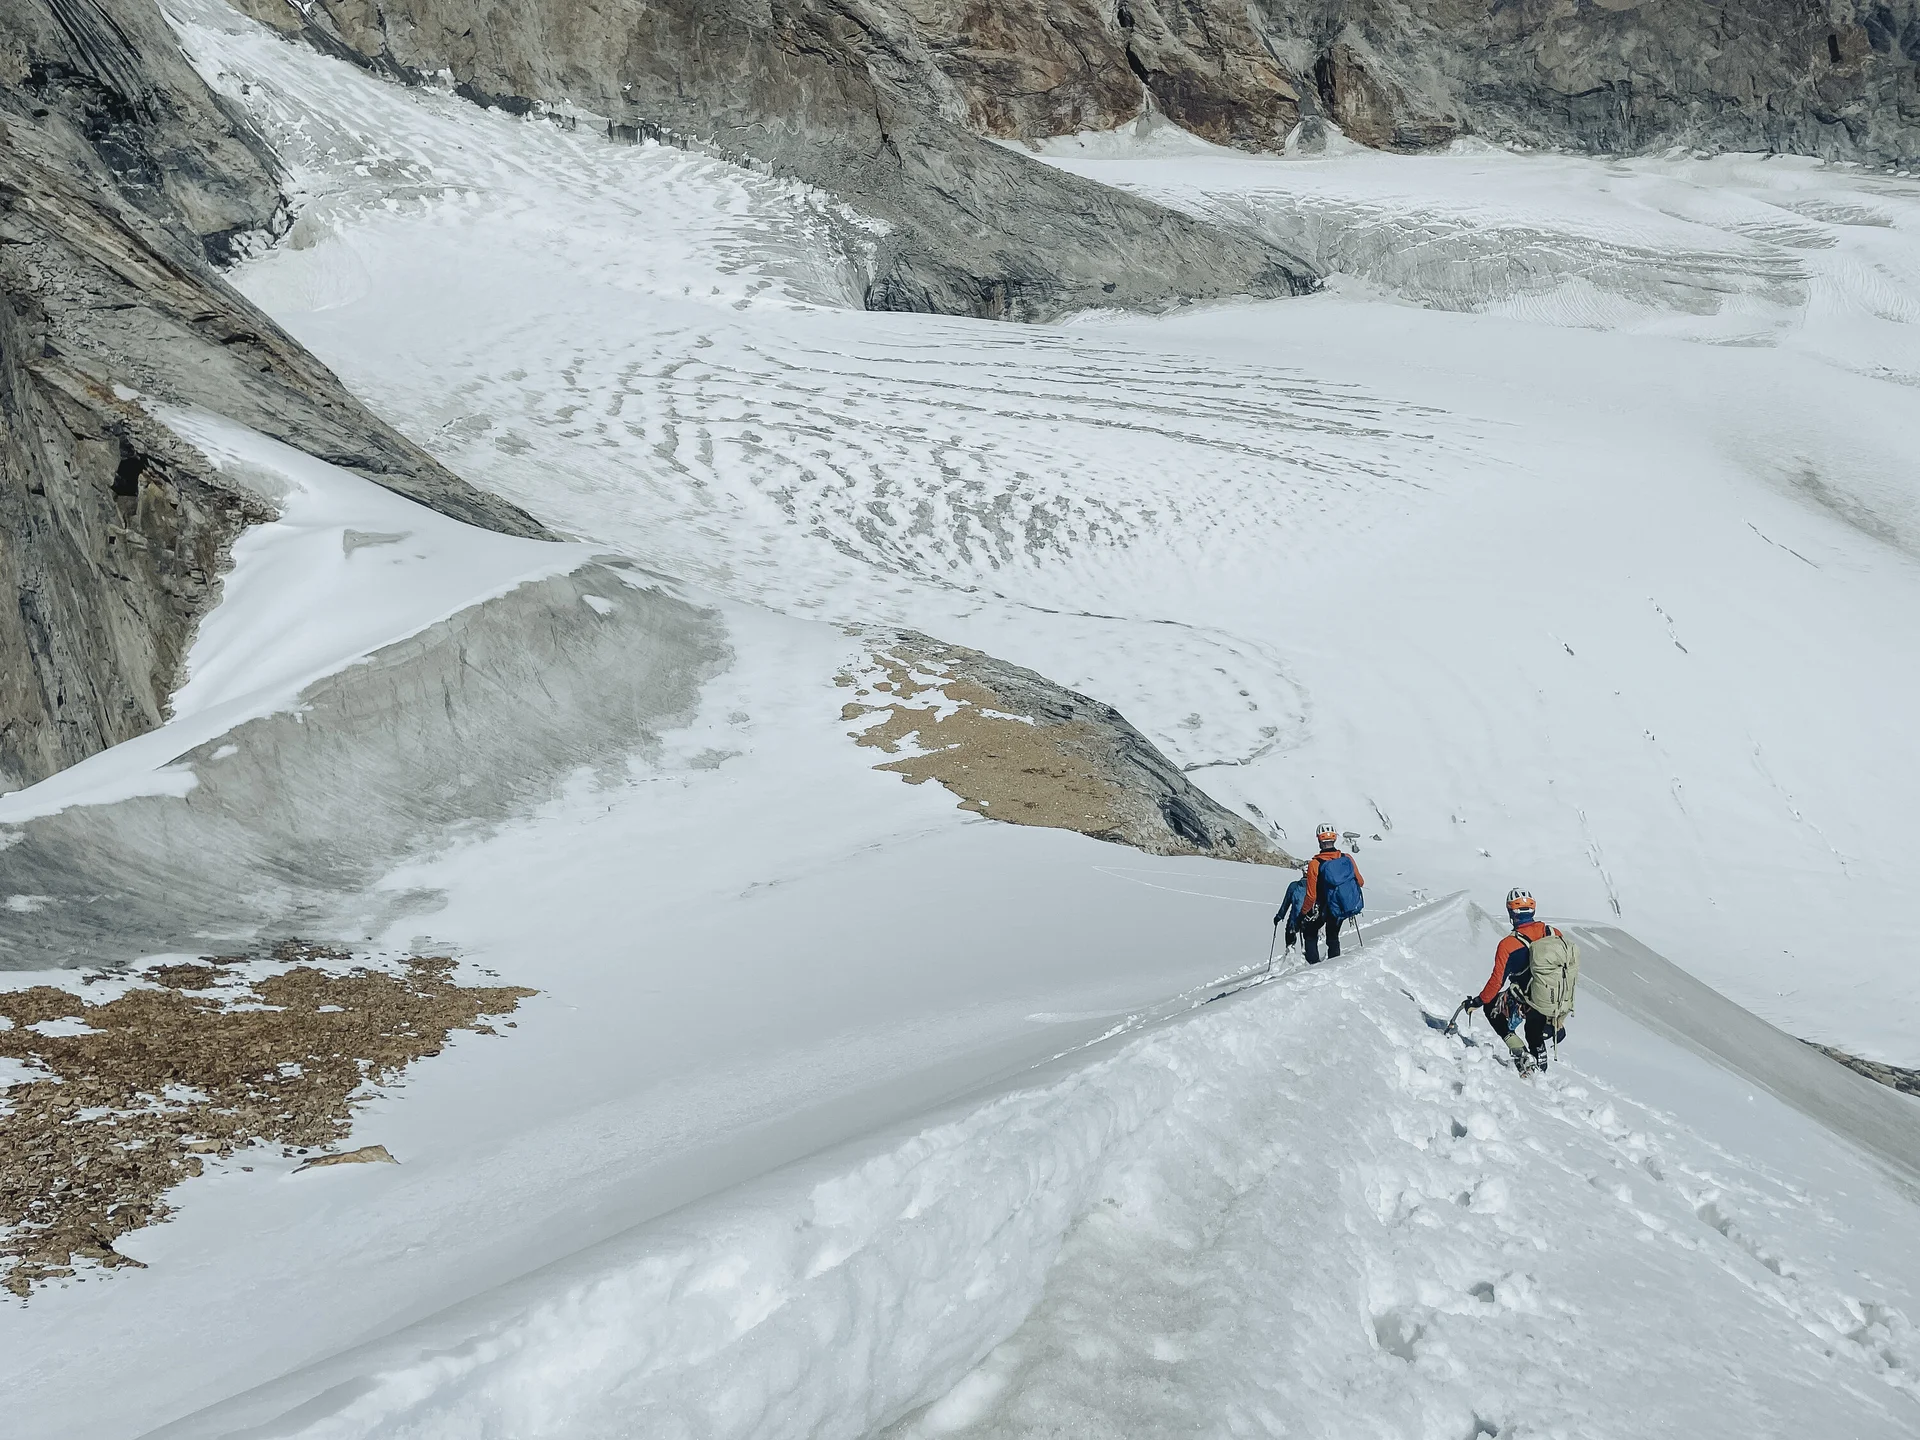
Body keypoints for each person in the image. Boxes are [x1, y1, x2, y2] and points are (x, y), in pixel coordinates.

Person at [1462, 887, 1572, 1074]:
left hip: (1529, 1000)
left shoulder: (1508, 945)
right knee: (1534, 1032)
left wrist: (1479, 1001)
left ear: (1511, 911)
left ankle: (1520, 1051)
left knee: (1492, 1008)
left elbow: (1497, 982)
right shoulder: (1554, 933)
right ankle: (1544, 1053)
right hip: (1557, 999)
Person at [1299, 823, 1364, 965]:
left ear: (1319, 840)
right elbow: (1360, 882)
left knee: (1310, 933)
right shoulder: (1346, 858)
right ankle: (1335, 964)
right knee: (1333, 936)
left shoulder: (1315, 864)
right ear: (1334, 839)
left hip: (1323, 907)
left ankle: (1313, 966)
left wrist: (1303, 912)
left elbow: (1311, 895)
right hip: (1341, 906)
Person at [1273, 873, 1309, 953]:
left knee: (1290, 933)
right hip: (1310, 918)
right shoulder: (1317, 885)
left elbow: (1286, 903)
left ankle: (1290, 954)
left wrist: (1279, 916)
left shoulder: (1294, 886)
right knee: (1310, 940)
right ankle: (1311, 958)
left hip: (1294, 919)